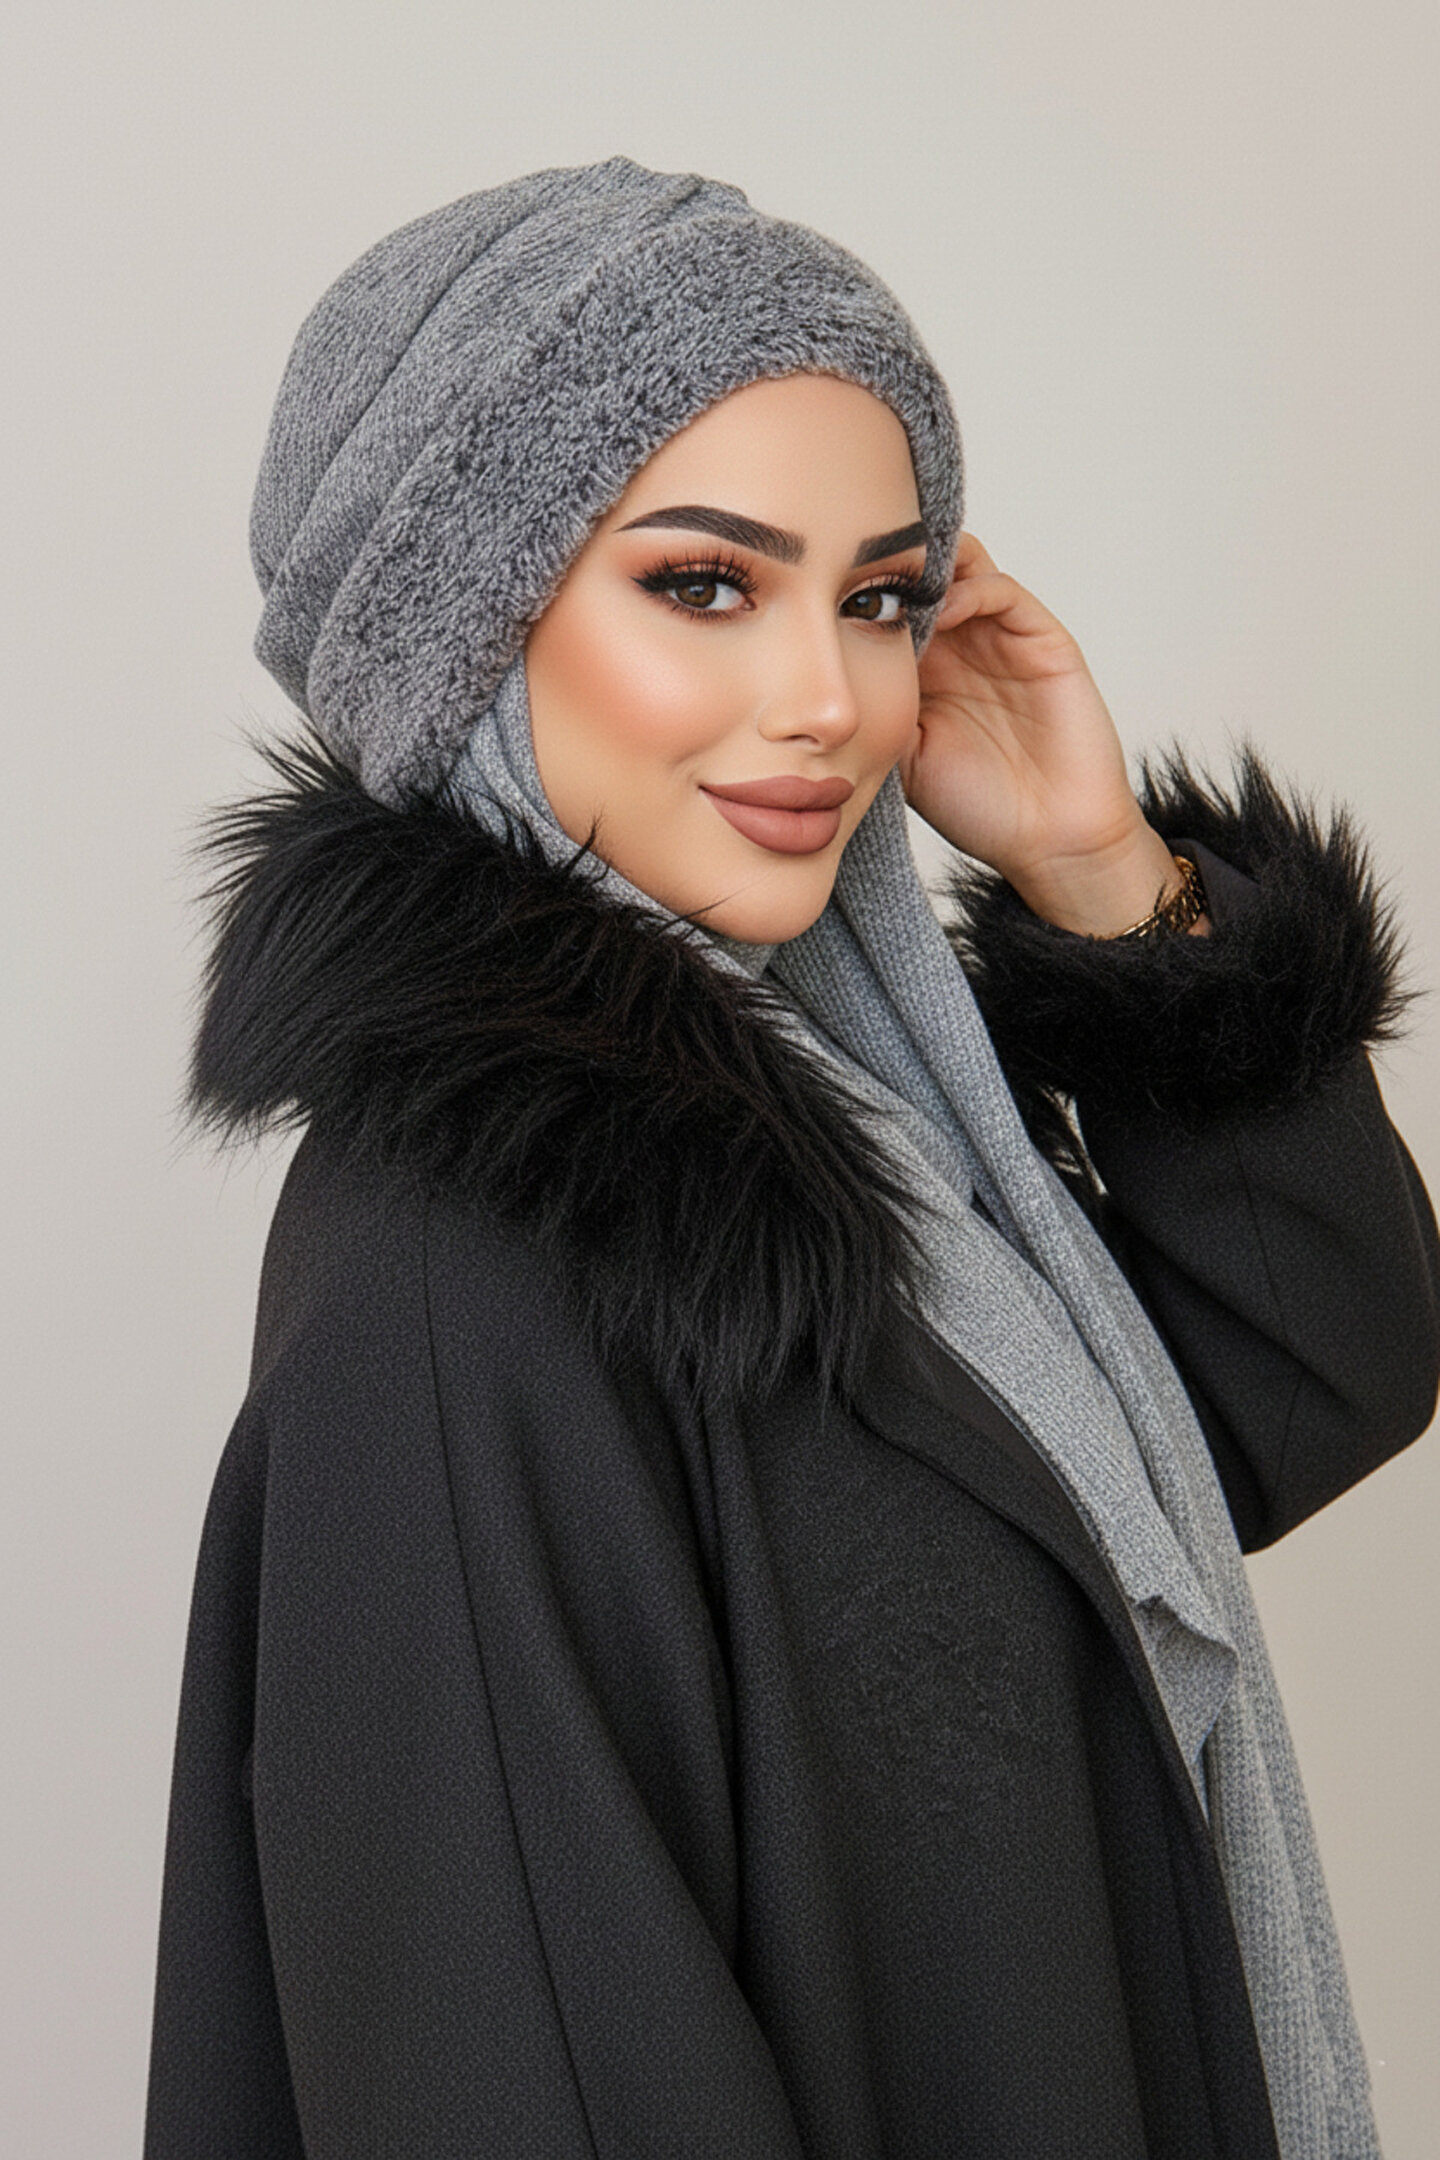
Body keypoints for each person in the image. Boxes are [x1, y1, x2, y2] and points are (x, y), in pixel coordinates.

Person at [144, 157, 1439, 2160]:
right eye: (703, 585)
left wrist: (1102, 870)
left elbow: (1306, 1377)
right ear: (462, 632)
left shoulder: (865, 1138)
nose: (830, 700)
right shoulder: (463, 1279)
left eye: (881, 599)